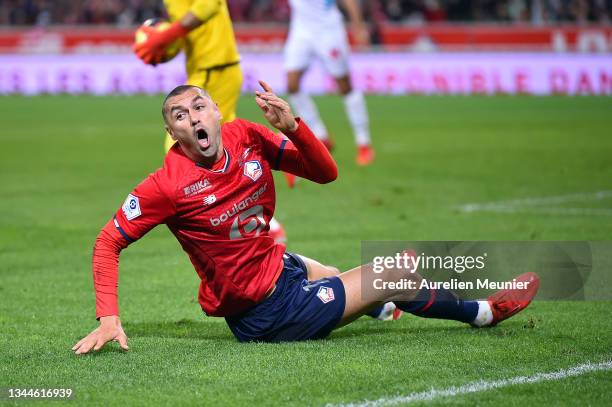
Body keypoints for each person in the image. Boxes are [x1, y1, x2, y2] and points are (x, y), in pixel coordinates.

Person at [72, 82, 539, 353]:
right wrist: (109, 316)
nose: (192, 117)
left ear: (216, 111)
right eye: (179, 114)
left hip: (281, 269)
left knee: (334, 274)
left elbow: (326, 173)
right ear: (171, 132)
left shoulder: (246, 136)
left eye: (198, 106)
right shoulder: (166, 185)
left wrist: (293, 128)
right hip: (263, 313)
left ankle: (382, 304)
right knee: (395, 272)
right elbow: (107, 242)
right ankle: (483, 314)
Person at [132, 0, 287, 242]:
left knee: (180, 145)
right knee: (228, 139)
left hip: (214, 68)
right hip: (212, 67)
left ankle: (223, 213)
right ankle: (279, 147)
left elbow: (210, 4)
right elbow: (188, 29)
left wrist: (169, 34)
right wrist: (164, 43)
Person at [284, 0, 375, 166]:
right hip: (301, 30)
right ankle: (321, 135)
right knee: (292, 84)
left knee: (345, 86)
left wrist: (358, 27)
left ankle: (364, 143)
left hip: (328, 31)